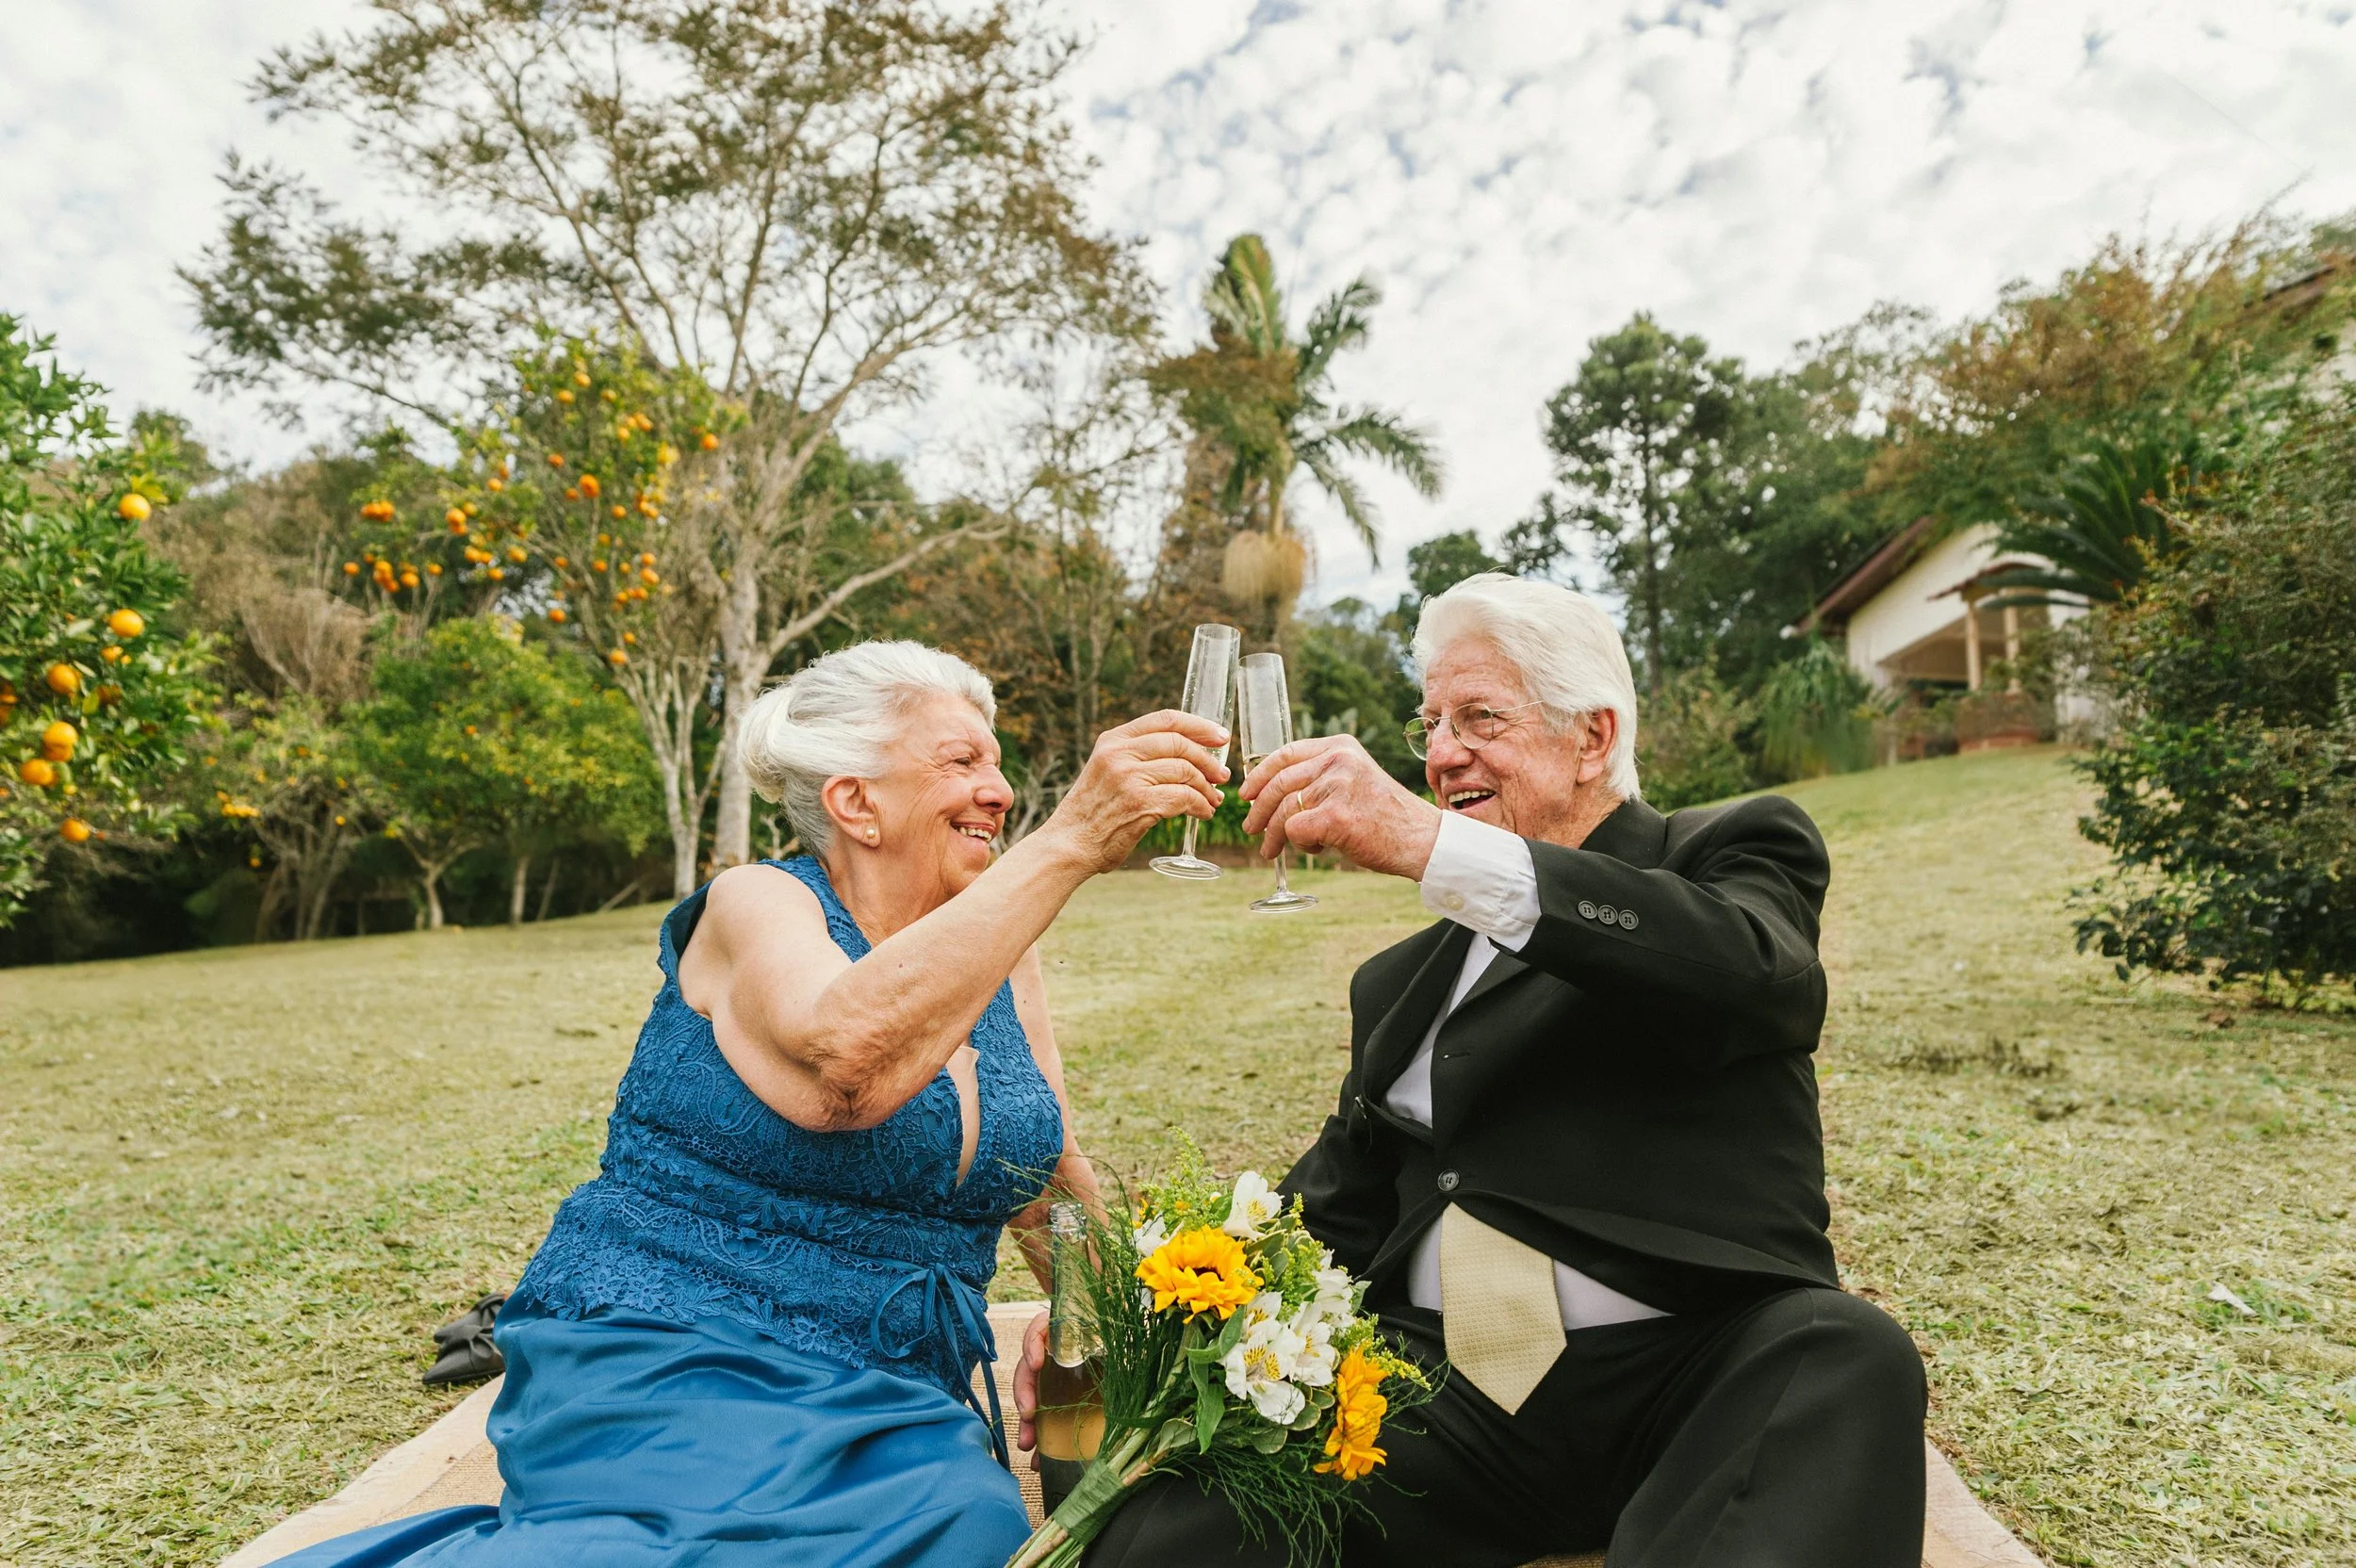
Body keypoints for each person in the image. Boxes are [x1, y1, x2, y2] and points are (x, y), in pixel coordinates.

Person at [1030, 575, 1927, 1568]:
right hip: (1441, 1397)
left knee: (1849, 1351)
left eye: (1479, 718)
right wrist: (1143, 1320)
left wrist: (1431, 844)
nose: (1442, 752)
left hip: (1698, 1367)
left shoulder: (1724, 855)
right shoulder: (1400, 982)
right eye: (1430, 725)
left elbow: (1757, 978)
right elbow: (1330, 1211)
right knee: (1161, 1537)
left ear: (1592, 738)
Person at [280, 640, 1228, 1568]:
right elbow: (847, 1066)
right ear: (855, 802)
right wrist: (1070, 840)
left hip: (889, 1392)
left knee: (972, 1525)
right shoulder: (756, 903)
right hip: (675, 1344)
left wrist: (1114, 1322)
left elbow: (1045, 1175)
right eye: (961, 762)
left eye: (997, 762)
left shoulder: (1002, 948)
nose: (1002, 790)